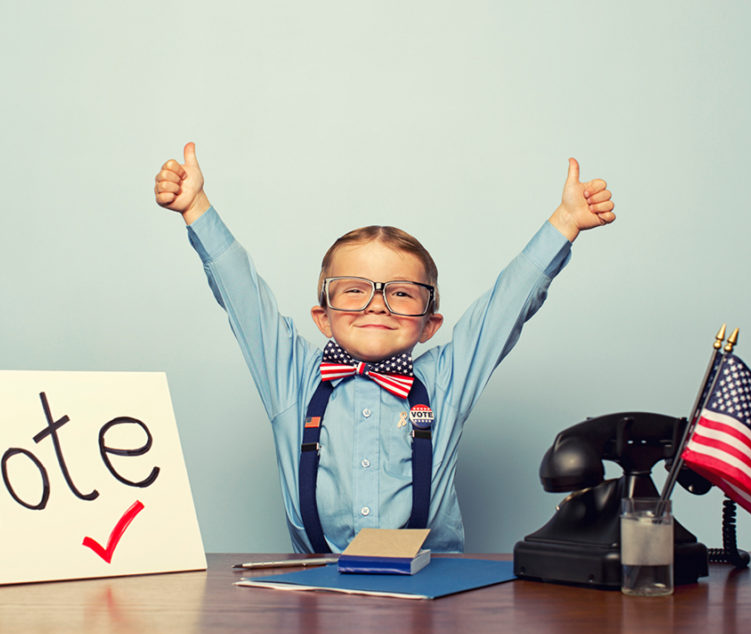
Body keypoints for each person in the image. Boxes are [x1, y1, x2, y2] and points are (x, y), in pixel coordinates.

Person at [154, 142, 615, 552]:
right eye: (354, 290)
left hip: (435, 588)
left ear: (430, 324)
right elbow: (243, 298)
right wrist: (196, 208)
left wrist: (564, 222)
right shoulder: (290, 377)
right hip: (316, 592)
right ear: (323, 317)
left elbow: (505, 307)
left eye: (400, 292)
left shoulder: (445, 382)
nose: (377, 305)